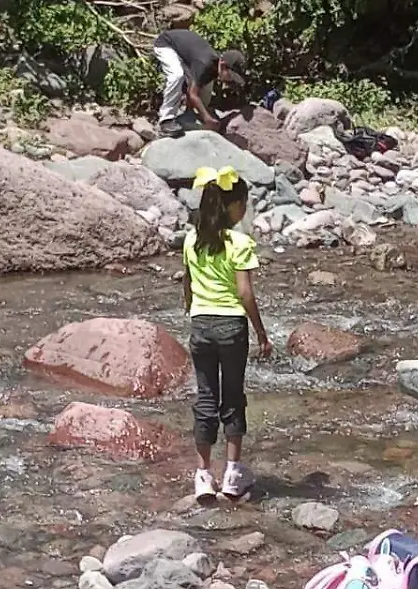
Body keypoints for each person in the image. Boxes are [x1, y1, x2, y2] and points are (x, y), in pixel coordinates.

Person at [182, 165, 272, 503]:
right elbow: (245, 293)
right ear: (231, 207)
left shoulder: (192, 241)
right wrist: (261, 333)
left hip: (201, 326)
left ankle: (203, 475)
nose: (245, 209)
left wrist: (192, 309)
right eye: (243, 203)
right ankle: (232, 474)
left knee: (206, 398)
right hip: (232, 327)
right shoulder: (239, 243)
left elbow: (188, 284)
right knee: (233, 398)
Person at [153, 29, 247, 136]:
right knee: (177, 75)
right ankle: (166, 121)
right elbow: (192, 93)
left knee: (206, 85)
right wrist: (207, 118)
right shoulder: (204, 64)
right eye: (230, 76)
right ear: (222, 64)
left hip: (186, 50)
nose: (230, 80)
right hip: (166, 44)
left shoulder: (214, 66)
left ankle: (190, 114)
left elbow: (196, 86)